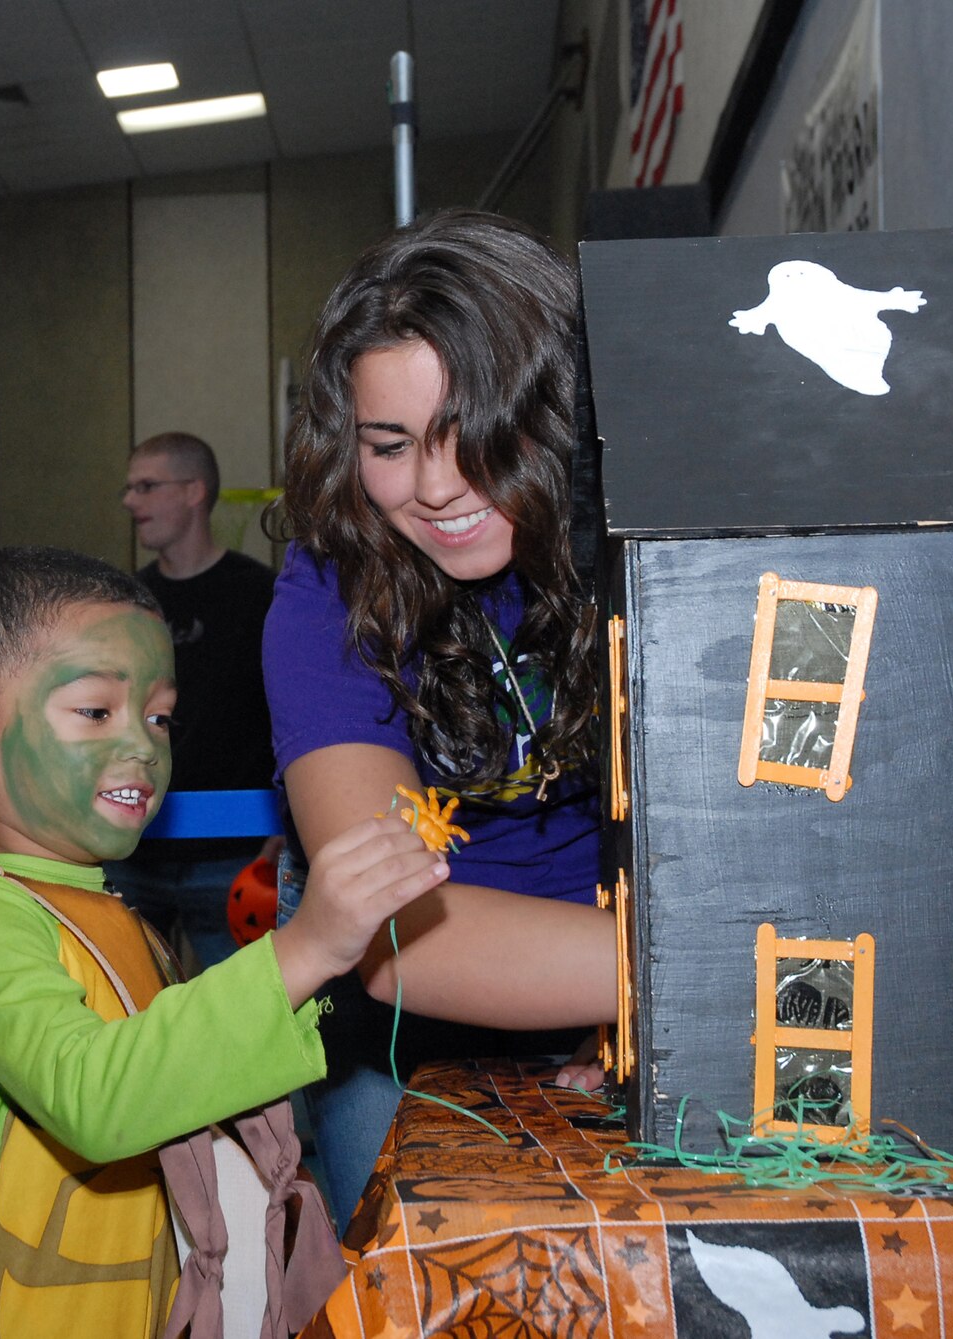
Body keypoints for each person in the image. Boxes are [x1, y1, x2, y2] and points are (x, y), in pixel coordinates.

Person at [0, 545, 449, 1337]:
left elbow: (180, 1076)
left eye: (158, 715)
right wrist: (303, 948)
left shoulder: (102, 908)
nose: (143, 745)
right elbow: (98, 1097)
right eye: (95, 711)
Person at [264, 210, 615, 1217]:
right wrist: (713, 968)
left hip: (624, 1006)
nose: (429, 487)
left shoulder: (638, 544)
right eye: (389, 443)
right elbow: (400, 940)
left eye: (467, 434)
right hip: (402, 1043)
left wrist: (641, 1010)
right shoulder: (324, 591)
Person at [110, 432, 279, 971]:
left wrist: (285, 829)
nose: (130, 502)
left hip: (234, 852)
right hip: (134, 848)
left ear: (194, 493)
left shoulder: (261, 595)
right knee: (123, 1008)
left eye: (146, 486)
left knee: (241, 1018)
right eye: (129, 488)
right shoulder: (124, 601)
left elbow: (291, 719)